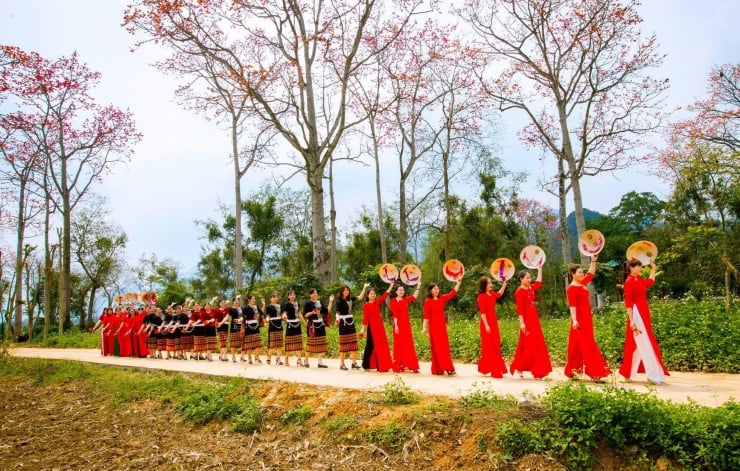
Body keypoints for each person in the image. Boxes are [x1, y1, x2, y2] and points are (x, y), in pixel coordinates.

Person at [619, 259, 669, 384]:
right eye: (639, 267)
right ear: (631, 268)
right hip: (637, 315)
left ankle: (628, 373)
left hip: (644, 313)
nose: (641, 269)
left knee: (639, 344)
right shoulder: (629, 282)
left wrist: (653, 269)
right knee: (645, 343)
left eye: (641, 266)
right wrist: (631, 321)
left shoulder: (639, 279)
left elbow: (650, 282)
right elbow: (628, 303)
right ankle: (653, 375)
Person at [563, 255, 612, 381]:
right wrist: (574, 320)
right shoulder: (571, 288)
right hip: (579, 319)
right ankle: (595, 373)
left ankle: (571, 371)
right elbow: (572, 306)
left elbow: (590, 274)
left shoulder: (581, 284)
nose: (582, 274)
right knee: (587, 344)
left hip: (587, 317)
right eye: (579, 272)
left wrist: (593, 261)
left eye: (582, 272)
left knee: (576, 345)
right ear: (572, 274)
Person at [509, 267, 552, 380]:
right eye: (527, 278)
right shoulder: (519, 292)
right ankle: (521, 367)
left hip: (534, 319)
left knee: (536, 344)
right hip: (526, 321)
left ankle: (535, 369)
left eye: (530, 277)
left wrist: (540, 269)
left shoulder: (530, 288)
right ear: (521, 279)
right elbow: (519, 309)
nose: (529, 279)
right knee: (526, 345)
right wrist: (522, 323)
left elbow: (539, 282)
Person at [422, 277, 462, 376]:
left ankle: (443, 368)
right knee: (437, 348)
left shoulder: (442, 298)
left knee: (444, 347)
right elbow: (426, 316)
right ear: (430, 290)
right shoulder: (427, 301)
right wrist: (424, 328)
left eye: (437, 288)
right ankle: (444, 368)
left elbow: (452, 293)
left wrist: (458, 282)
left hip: (442, 326)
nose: (436, 290)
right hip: (433, 327)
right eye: (434, 289)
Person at [476, 276, 509, 378]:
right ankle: (495, 369)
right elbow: (483, 313)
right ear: (484, 285)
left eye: (491, 283)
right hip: (486, 323)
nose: (491, 284)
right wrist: (486, 325)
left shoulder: (491, 294)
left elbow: (499, 294)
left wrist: (504, 285)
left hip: (493, 321)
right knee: (489, 346)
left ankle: (487, 367)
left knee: (496, 345)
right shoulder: (481, 297)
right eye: (489, 283)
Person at [359, 283, 394, 372]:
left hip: (380, 327)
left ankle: (381, 365)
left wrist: (391, 285)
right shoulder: (366, 305)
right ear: (368, 295)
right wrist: (362, 329)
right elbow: (365, 319)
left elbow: (385, 294)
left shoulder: (377, 302)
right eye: (371, 294)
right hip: (372, 327)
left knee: (381, 345)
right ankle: (365, 364)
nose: (373, 295)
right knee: (370, 346)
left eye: (374, 294)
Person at [335, 283, 369, 370]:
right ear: (341, 292)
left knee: (353, 342)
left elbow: (360, 297)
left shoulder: (350, 299)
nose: (346, 292)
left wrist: (364, 287)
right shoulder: (339, 301)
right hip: (343, 323)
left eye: (347, 290)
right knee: (343, 343)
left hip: (351, 321)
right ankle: (342, 364)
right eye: (344, 290)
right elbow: (337, 312)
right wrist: (337, 319)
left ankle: (354, 362)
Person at [389, 282, 421, 373]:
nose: (401, 291)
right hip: (398, 325)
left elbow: (414, 296)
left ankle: (413, 366)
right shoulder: (393, 301)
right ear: (396, 292)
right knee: (398, 345)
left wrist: (418, 286)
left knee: (408, 344)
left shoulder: (405, 300)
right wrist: (396, 326)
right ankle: (399, 365)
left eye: (403, 290)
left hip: (406, 324)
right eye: (399, 290)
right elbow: (394, 314)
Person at [302, 288, 333, 368]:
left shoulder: (319, 303)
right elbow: (305, 315)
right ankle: (306, 360)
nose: (315, 294)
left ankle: (320, 362)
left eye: (316, 293)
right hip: (312, 325)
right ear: (310, 295)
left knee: (321, 343)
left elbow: (327, 311)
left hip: (321, 324)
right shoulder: (308, 303)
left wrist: (331, 301)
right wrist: (312, 312)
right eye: (313, 293)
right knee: (311, 342)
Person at [281, 291, 305, 366]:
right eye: (291, 295)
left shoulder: (297, 303)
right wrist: (284, 316)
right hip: (290, 325)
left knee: (298, 342)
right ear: (288, 297)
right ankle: (286, 359)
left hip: (297, 324)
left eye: (293, 295)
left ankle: (299, 360)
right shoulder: (286, 304)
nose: (292, 296)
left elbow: (299, 313)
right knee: (289, 343)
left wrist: (304, 322)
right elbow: (284, 312)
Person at [241, 295, 264, 364]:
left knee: (257, 342)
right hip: (249, 327)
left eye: (254, 299)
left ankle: (257, 357)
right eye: (253, 299)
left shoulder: (256, 307)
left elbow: (261, 312)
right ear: (249, 300)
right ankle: (249, 358)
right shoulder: (246, 308)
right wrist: (241, 323)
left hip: (256, 326)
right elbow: (243, 318)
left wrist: (263, 304)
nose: (254, 300)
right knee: (249, 344)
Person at [265, 293, 284, 365]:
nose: (274, 298)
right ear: (270, 299)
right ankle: (268, 357)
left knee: (279, 343)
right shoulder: (268, 307)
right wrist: (267, 319)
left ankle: (278, 359)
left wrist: (284, 317)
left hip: (279, 325)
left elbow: (282, 314)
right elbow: (267, 315)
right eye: (273, 297)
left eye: (275, 297)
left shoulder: (279, 306)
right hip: (272, 325)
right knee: (271, 343)